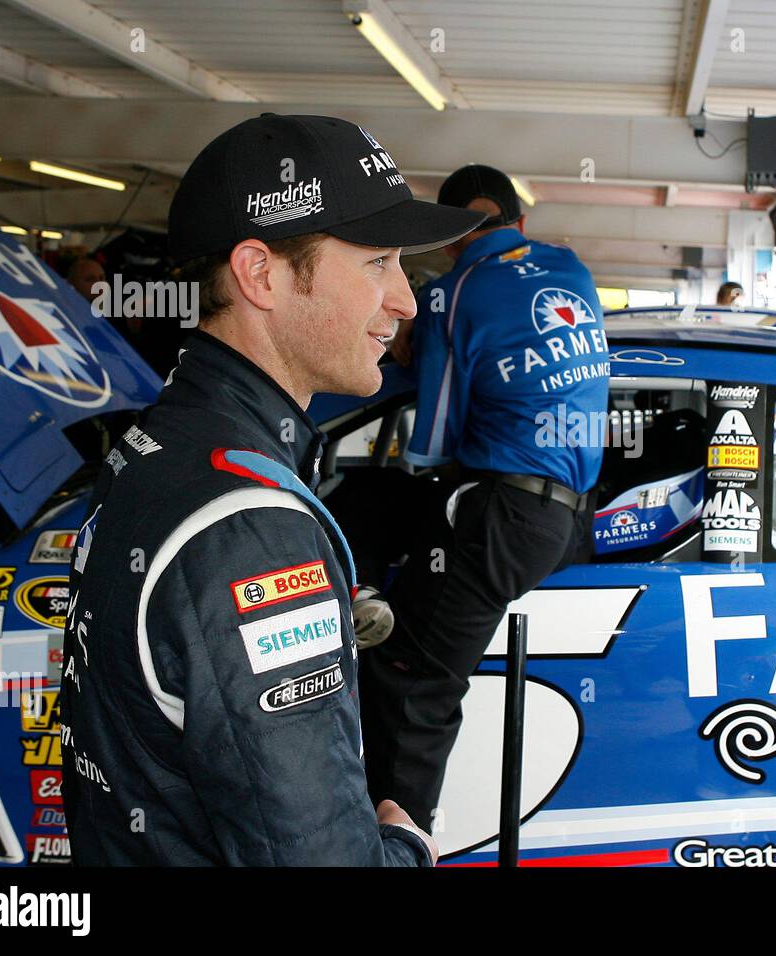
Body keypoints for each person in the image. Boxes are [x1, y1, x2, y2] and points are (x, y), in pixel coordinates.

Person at [59, 114, 485, 865]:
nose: (407, 301)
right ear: (261, 273)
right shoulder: (249, 525)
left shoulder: (156, 444)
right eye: (378, 262)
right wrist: (407, 849)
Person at [360, 163, 609, 830]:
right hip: (565, 513)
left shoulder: (453, 292)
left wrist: (426, 351)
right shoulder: (573, 269)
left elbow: (433, 443)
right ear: (520, 222)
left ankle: (398, 843)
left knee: (411, 679)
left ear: (448, 238)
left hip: (502, 514)